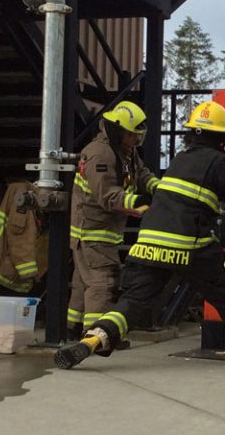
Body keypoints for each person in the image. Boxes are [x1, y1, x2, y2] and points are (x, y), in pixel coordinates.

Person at [54, 100, 225, 370]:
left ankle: (94, 339)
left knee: (133, 301)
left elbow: (154, 181)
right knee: (224, 294)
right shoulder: (217, 163)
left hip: (149, 245)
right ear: (221, 135)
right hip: (190, 247)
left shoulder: (181, 159)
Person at [66, 101, 160, 344]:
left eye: (139, 135)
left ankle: (72, 328)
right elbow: (108, 196)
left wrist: (161, 190)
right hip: (93, 231)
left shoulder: (123, 151)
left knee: (83, 282)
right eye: (132, 134)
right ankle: (97, 337)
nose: (136, 140)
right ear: (118, 130)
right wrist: (144, 205)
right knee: (103, 282)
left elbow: (141, 174)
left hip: (99, 231)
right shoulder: (100, 154)